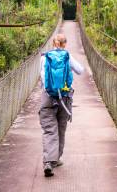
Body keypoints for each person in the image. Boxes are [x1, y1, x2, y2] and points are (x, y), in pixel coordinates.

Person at [39, 33, 83, 177]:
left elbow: (42, 77)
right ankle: (55, 159)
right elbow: (81, 70)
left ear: (53, 43)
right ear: (64, 44)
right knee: (60, 129)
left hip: (47, 98)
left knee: (50, 131)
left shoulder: (44, 57)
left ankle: (48, 162)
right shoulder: (67, 56)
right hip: (64, 98)